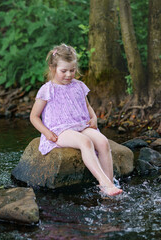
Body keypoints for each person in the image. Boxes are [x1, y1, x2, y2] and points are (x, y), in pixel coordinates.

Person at [30, 44, 123, 196]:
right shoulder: (47, 89)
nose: (68, 74)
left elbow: (87, 106)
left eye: (72, 70)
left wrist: (93, 118)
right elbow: (34, 116)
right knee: (85, 142)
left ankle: (110, 183)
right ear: (53, 69)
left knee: (103, 142)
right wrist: (46, 132)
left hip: (81, 125)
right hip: (60, 129)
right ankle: (104, 183)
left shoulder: (79, 86)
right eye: (64, 71)